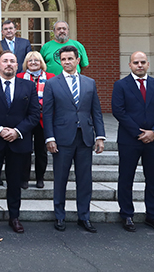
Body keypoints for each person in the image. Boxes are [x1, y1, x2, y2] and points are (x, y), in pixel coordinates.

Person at [0, 51, 39, 234]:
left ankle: (14, 217)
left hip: (19, 142)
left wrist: (17, 131)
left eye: (12, 61)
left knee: (15, 182)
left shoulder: (28, 86)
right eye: (5, 61)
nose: (9, 64)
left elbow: (34, 114)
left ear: (18, 66)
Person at [42, 45, 105, 233]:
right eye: (64, 59)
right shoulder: (52, 83)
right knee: (60, 179)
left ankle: (84, 217)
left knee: (85, 180)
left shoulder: (89, 83)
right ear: (60, 62)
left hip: (85, 138)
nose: (67, 62)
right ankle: (60, 216)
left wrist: (100, 136)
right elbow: (47, 113)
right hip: (62, 138)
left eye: (70, 59)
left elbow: (96, 112)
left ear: (78, 60)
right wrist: (49, 138)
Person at [112, 51, 154, 233]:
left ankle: (153, 215)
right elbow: (118, 111)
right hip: (130, 140)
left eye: (143, 62)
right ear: (129, 65)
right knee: (126, 178)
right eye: (136, 62)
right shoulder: (121, 85)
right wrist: (139, 133)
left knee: (152, 179)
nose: (139, 65)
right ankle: (127, 214)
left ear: (148, 64)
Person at [16, 51, 54, 189]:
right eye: (30, 61)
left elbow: (52, 98)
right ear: (26, 63)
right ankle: (24, 178)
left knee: (41, 151)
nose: (33, 63)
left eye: (36, 61)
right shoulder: (19, 77)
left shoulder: (50, 77)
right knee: (25, 150)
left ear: (41, 63)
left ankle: (40, 178)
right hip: (25, 119)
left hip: (43, 119)